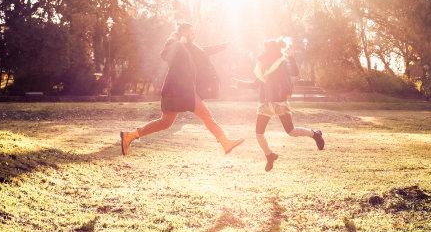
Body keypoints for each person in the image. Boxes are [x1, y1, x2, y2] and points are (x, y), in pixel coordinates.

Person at [120, 22, 244, 155]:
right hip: (177, 90)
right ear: (184, 33)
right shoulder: (174, 43)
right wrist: (180, 42)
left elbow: (204, 51)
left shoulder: (189, 47)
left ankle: (130, 135)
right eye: (192, 32)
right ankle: (225, 142)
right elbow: (165, 54)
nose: (194, 34)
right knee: (204, 114)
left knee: (165, 123)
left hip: (182, 90)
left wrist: (224, 46)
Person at [232, 38, 324, 171]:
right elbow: (254, 85)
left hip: (279, 102)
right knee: (258, 134)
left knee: (291, 131)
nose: (263, 51)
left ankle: (315, 134)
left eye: (265, 49)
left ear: (272, 50)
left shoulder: (282, 63)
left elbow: (295, 72)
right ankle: (269, 155)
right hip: (265, 104)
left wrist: (291, 57)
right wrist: (238, 83)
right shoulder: (261, 66)